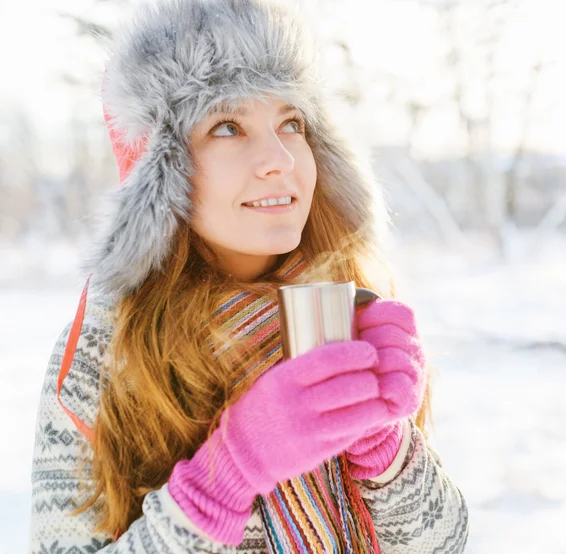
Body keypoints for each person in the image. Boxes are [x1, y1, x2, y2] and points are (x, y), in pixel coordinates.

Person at [29, 0, 469, 552]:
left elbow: (443, 542)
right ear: (160, 174)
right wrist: (225, 477)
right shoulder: (106, 349)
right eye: (228, 126)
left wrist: (387, 449)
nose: (280, 157)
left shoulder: (349, 309)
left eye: (292, 122)